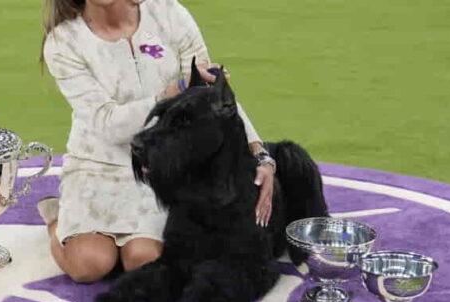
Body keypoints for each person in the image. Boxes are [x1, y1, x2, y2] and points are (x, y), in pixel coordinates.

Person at [38, 0, 278, 283]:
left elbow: (215, 95)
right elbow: (107, 123)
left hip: (165, 166)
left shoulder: (170, 13)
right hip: (96, 164)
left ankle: (109, 236)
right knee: (89, 264)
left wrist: (259, 154)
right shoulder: (64, 42)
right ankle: (56, 219)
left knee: (143, 260)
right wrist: (170, 93)